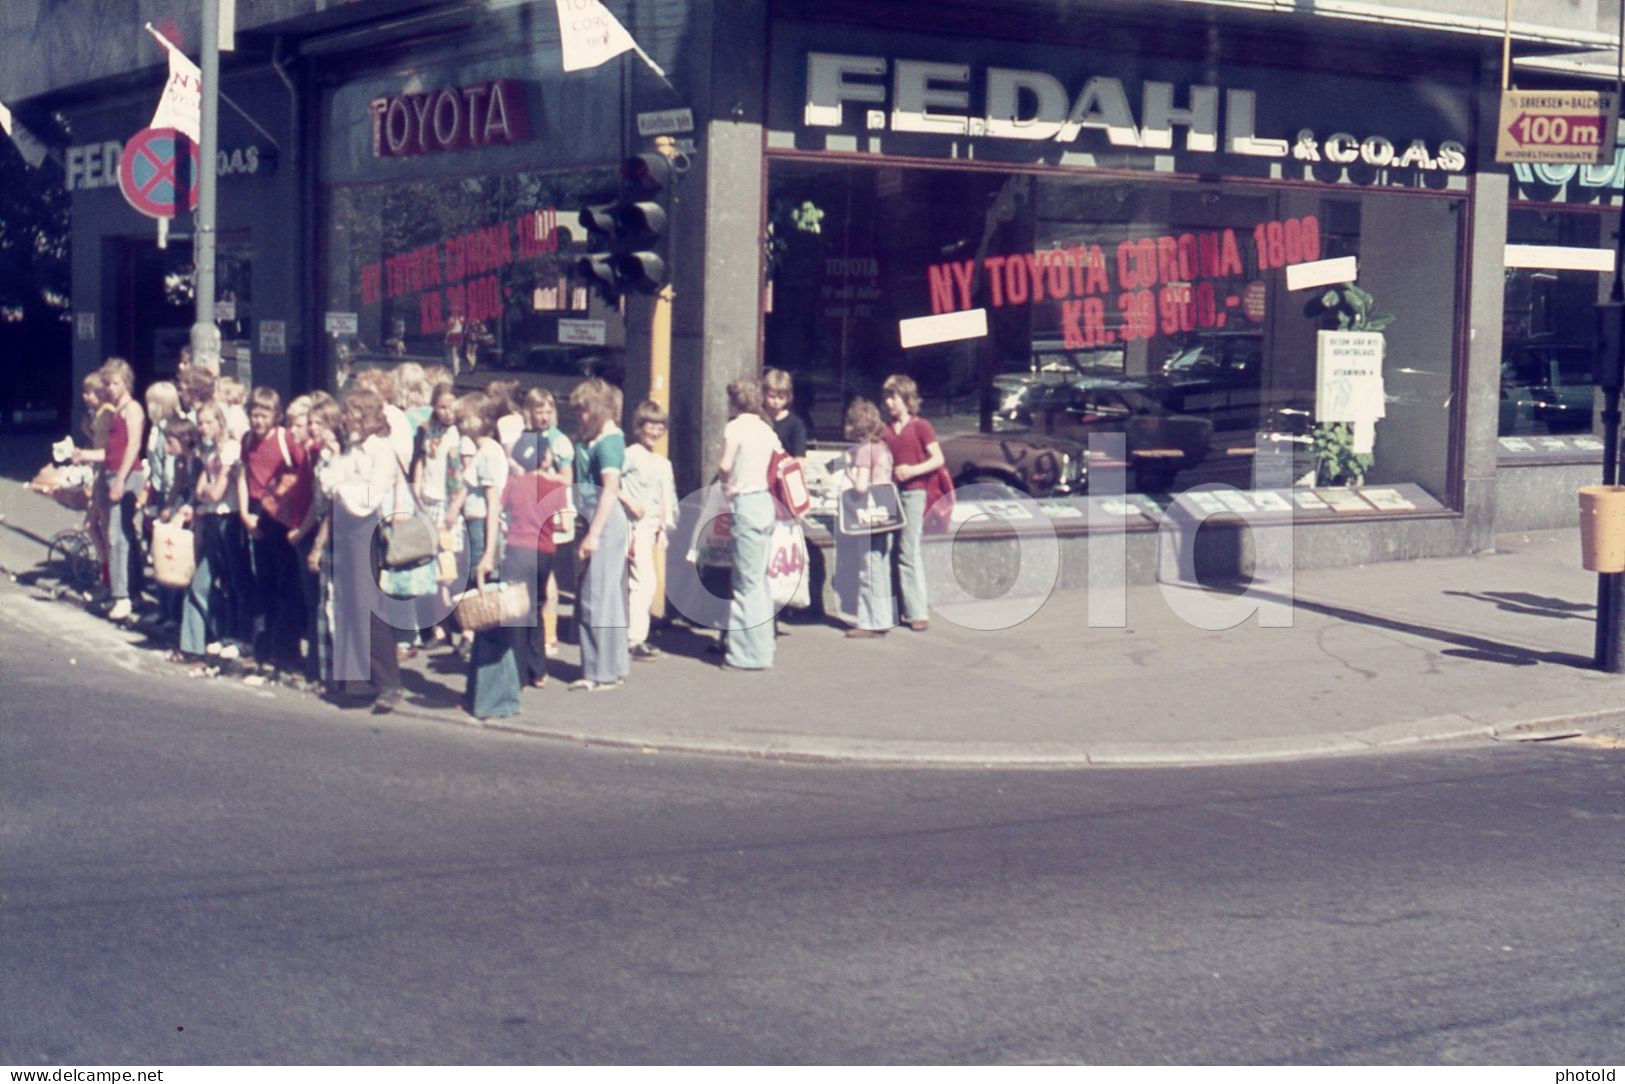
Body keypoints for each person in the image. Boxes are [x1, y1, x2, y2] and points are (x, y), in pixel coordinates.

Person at [324, 387, 404, 712]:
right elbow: (327, 481)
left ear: (367, 416)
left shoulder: (381, 450)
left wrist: (342, 486)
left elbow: (368, 498)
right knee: (347, 603)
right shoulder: (352, 448)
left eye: (352, 413)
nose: (346, 419)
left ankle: (389, 683)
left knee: (368, 604)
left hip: (365, 529)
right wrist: (340, 480)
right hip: (345, 527)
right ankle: (356, 681)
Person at [238, 387, 310, 672]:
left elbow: (303, 472)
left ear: (276, 416)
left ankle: (286, 649)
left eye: (264, 415)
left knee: (286, 584)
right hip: (258, 515)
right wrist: (245, 512)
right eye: (254, 414)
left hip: (282, 516)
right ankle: (263, 647)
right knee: (263, 582)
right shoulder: (247, 440)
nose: (258, 421)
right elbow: (243, 474)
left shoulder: (284, 439)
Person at [568, 377, 630, 691]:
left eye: (584, 412)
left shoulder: (608, 444)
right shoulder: (598, 438)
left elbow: (609, 492)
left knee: (597, 598)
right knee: (608, 597)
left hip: (603, 522)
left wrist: (593, 534)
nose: (580, 417)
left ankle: (599, 672)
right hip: (601, 520)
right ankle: (611, 667)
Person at [717, 378, 781, 671]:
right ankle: (763, 647)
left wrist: (726, 485)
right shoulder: (766, 430)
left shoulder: (735, 427)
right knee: (759, 582)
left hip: (745, 503)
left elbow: (725, 465)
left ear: (734, 400)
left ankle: (746, 655)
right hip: (765, 504)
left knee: (746, 585)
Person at [74, 359, 145, 622]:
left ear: (126, 382)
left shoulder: (132, 409)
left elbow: (134, 445)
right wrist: (86, 454)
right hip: (114, 472)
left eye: (116, 383)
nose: (111, 388)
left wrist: (120, 481)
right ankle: (128, 592)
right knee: (121, 534)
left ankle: (122, 597)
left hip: (125, 475)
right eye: (108, 384)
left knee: (116, 536)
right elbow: (111, 451)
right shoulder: (116, 410)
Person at [178, 401, 248, 664]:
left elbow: (216, 492)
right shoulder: (208, 452)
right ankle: (199, 642)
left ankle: (235, 636)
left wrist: (207, 491)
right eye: (201, 422)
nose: (203, 427)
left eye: (209, 422)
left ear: (220, 422)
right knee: (201, 582)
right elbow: (199, 491)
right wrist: (206, 491)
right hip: (208, 520)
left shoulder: (230, 449)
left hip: (226, 519)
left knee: (232, 580)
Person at [880, 373, 950, 633]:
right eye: (886, 396)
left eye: (894, 397)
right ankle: (891, 610)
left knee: (908, 550)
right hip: (890, 494)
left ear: (907, 398)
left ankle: (917, 611)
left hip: (913, 492)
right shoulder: (885, 430)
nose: (889, 402)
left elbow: (937, 459)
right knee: (888, 549)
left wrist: (912, 470)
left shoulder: (921, 426)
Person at [511, 387, 574, 658]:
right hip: (526, 511)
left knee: (547, 578)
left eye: (549, 411)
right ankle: (527, 635)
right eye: (539, 411)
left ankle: (549, 634)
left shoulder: (558, 441)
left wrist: (541, 475)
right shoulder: (524, 438)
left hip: (549, 510)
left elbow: (567, 478)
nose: (544, 416)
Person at [620, 399, 678, 661]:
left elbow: (667, 496)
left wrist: (665, 529)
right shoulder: (630, 454)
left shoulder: (662, 463)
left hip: (651, 528)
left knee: (644, 583)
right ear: (638, 427)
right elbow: (610, 483)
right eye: (650, 426)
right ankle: (634, 638)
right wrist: (629, 502)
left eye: (660, 427)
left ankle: (634, 635)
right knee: (643, 583)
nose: (655, 432)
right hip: (632, 527)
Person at [841, 398, 897, 638]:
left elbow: (862, 487)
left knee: (868, 569)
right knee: (880, 566)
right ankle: (883, 617)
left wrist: (849, 472)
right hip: (887, 511)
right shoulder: (883, 447)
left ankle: (869, 621)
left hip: (869, 514)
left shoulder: (864, 451)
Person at [140, 381, 184, 628]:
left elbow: (172, 472)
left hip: (169, 498)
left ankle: (172, 613)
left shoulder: (171, 429)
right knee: (156, 552)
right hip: (157, 493)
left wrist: (166, 503)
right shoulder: (158, 427)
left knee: (169, 554)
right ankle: (163, 609)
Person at [763, 368, 808, 459]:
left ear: (788, 398)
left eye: (781, 398)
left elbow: (799, 457)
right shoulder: (758, 418)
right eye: (772, 397)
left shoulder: (795, 424)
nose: (776, 402)